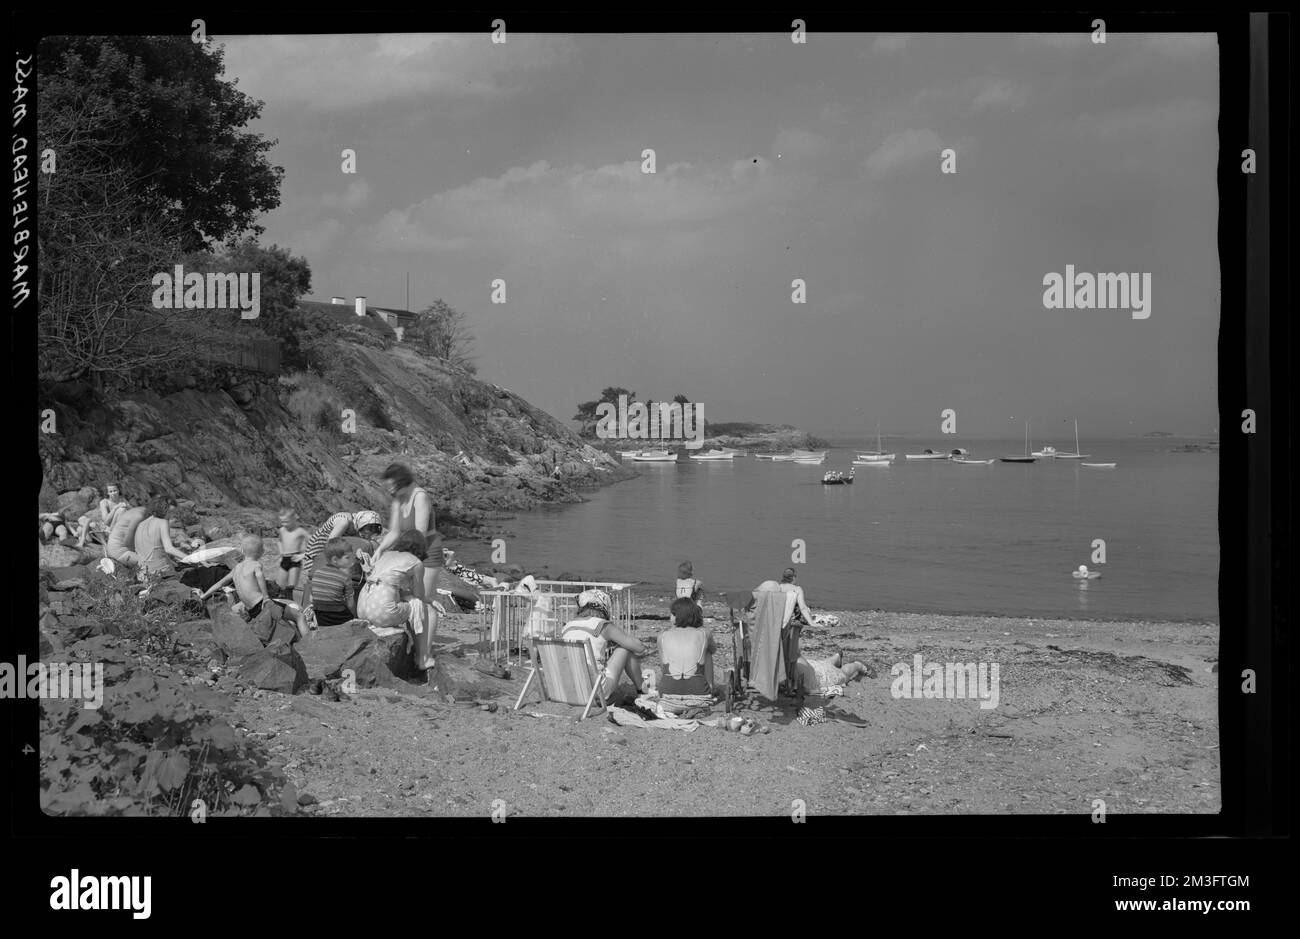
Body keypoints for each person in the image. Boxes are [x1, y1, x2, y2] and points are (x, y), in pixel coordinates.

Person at [357, 528, 442, 671]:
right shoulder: (416, 563)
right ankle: (423, 658)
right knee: (426, 610)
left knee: (411, 603)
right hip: (382, 611)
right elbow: (418, 594)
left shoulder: (385, 554)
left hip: (362, 607)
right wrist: (431, 601)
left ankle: (418, 651)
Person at [199, 534, 304, 638]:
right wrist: (266, 598)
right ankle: (311, 642)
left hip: (251, 610)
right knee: (299, 616)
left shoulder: (236, 568)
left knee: (283, 621)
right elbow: (259, 576)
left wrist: (204, 596)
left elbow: (220, 584)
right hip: (261, 604)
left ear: (242, 550)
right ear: (261, 552)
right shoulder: (256, 564)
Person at [561, 589, 649, 702]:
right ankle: (643, 690)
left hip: (569, 687)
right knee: (624, 649)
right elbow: (639, 648)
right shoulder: (602, 625)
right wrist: (617, 637)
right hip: (595, 689)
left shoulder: (568, 626)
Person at [373, 462, 441, 599]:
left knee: (424, 600)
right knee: (405, 598)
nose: (390, 490)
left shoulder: (420, 496)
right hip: (409, 550)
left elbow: (419, 535)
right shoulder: (398, 500)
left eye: (392, 486)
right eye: (388, 487)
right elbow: (394, 532)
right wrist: (380, 550)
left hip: (427, 552)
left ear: (402, 481)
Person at [298, 509, 384, 607]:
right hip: (316, 552)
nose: (365, 537)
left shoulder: (356, 524)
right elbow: (330, 544)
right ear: (362, 525)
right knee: (319, 584)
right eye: (365, 533)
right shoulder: (343, 522)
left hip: (329, 554)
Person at [658, 597, 716, 696]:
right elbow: (714, 649)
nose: (669, 617)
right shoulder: (704, 633)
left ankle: (672, 685)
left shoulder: (662, 636)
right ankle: (710, 687)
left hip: (666, 695)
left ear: (676, 616)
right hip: (700, 695)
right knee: (707, 652)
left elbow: (663, 667)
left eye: (672, 614)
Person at [132, 496, 188, 576]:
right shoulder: (162, 522)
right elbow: (169, 549)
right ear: (163, 509)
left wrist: (175, 565)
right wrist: (191, 558)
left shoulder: (141, 524)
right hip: (161, 573)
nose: (171, 516)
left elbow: (155, 550)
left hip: (143, 573)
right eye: (171, 512)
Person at [307, 539, 358, 628]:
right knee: (353, 622)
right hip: (337, 615)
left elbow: (311, 599)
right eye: (347, 558)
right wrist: (353, 616)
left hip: (320, 616)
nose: (351, 560)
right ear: (335, 559)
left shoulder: (317, 573)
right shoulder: (345, 577)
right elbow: (350, 603)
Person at [795, 652, 871, 696]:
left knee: (843, 674)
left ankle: (858, 665)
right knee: (822, 665)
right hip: (808, 666)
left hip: (816, 678)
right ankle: (836, 657)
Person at [277, 508, 311, 590]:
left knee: (291, 587)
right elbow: (279, 541)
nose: (284, 524)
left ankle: (291, 600)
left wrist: (303, 555)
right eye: (282, 521)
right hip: (284, 558)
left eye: (286, 521)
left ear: (294, 519)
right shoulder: (282, 530)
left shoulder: (300, 531)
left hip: (295, 559)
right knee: (280, 586)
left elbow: (314, 542)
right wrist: (281, 552)